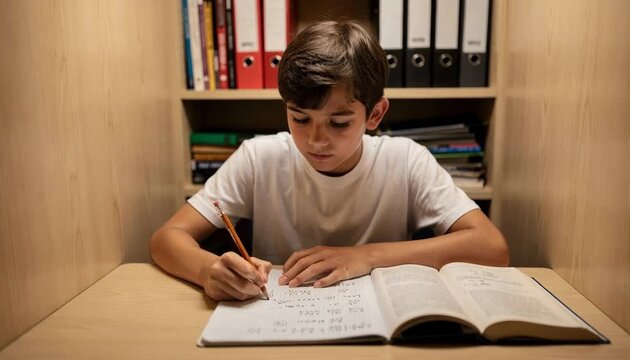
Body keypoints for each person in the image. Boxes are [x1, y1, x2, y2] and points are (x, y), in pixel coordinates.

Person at [150, 20, 509, 301]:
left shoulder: (406, 161)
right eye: (300, 118)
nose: (315, 140)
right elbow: (167, 238)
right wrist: (208, 269)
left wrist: (366, 257)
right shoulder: (260, 157)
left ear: (375, 114)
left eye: (339, 123)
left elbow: (491, 248)